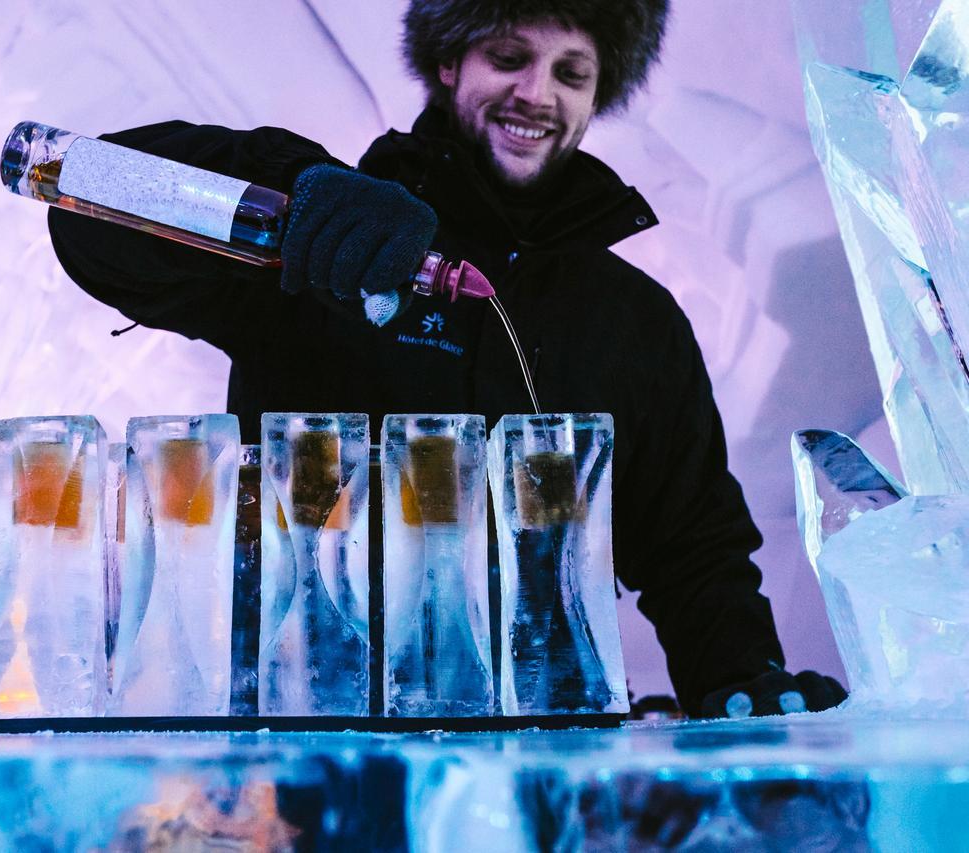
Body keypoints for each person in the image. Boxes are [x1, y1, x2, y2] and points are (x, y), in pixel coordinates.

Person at [48, 0, 846, 718]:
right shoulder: (329, 235)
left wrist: (742, 680)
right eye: (508, 58)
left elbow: (691, 548)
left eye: (572, 72)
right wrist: (290, 188)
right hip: (307, 739)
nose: (538, 93)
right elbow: (90, 201)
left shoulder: (634, 318)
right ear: (446, 63)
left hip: (550, 762)